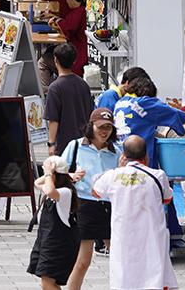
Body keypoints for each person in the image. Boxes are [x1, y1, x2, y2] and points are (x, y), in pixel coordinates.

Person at [92, 134, 178, 290]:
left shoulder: (112, 176)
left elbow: (96, 192)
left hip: (123, 239)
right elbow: (167, 199)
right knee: (153, 278)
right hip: (151, 238)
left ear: (123, 155)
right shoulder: (158, 176)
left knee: (125, 279)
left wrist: (119, 169)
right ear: (146, 156)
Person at [60, 108, 120, 290]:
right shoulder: (76, 146)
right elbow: (58, 173)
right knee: (83, 260)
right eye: (101, 127)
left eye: (108, 127)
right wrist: (71, 176)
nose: (104, 131)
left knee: (118, 258)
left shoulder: (116, 151)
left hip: (109, 205)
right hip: (84, 205)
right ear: (91, 126)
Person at [28, 155, 82, 289]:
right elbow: (37, 183)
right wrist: (55, 173)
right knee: (46, 283)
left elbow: (50, 191)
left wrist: (49, 173)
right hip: (48, 242)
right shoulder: (54, 188)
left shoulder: (65, 192)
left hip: (59, 245)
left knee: (48, 283)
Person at [45, 42, 94, 159]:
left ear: (55, 60)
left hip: (63, 144)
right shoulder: (83, 84)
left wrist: (51, 144)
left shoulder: (55, 87)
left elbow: (53, 120)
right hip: (84, 142)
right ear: (74, 61)